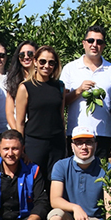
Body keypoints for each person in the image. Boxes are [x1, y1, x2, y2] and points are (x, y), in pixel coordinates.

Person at [61, 26, 111, 161]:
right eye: (91, 40)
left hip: (103, 134)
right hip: (77, 133)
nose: (94, 45)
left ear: (104, 45)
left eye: (99, 42)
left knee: (100, 178)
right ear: (84, 43)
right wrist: (79, 91)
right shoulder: (70, 68)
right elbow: (62, 101)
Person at [15, 46, 66, 181]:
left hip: (57, 143)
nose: (46, 66)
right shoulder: (25, 87)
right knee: (34, 181)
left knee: (56, 181)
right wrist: (21, 148)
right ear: (35, 62)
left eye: (51, 62)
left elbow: (61, 117)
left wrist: (64, 142)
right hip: (34, 143)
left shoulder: (59, 86)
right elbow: (19, 122)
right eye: (42, 61)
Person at [5, 40, 38, 130]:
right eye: (22, 55)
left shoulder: (42, 79)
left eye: (30, 54)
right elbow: (10, 112)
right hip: (17, 130)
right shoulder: (13, 79)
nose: (26, 57)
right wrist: (18, 133)